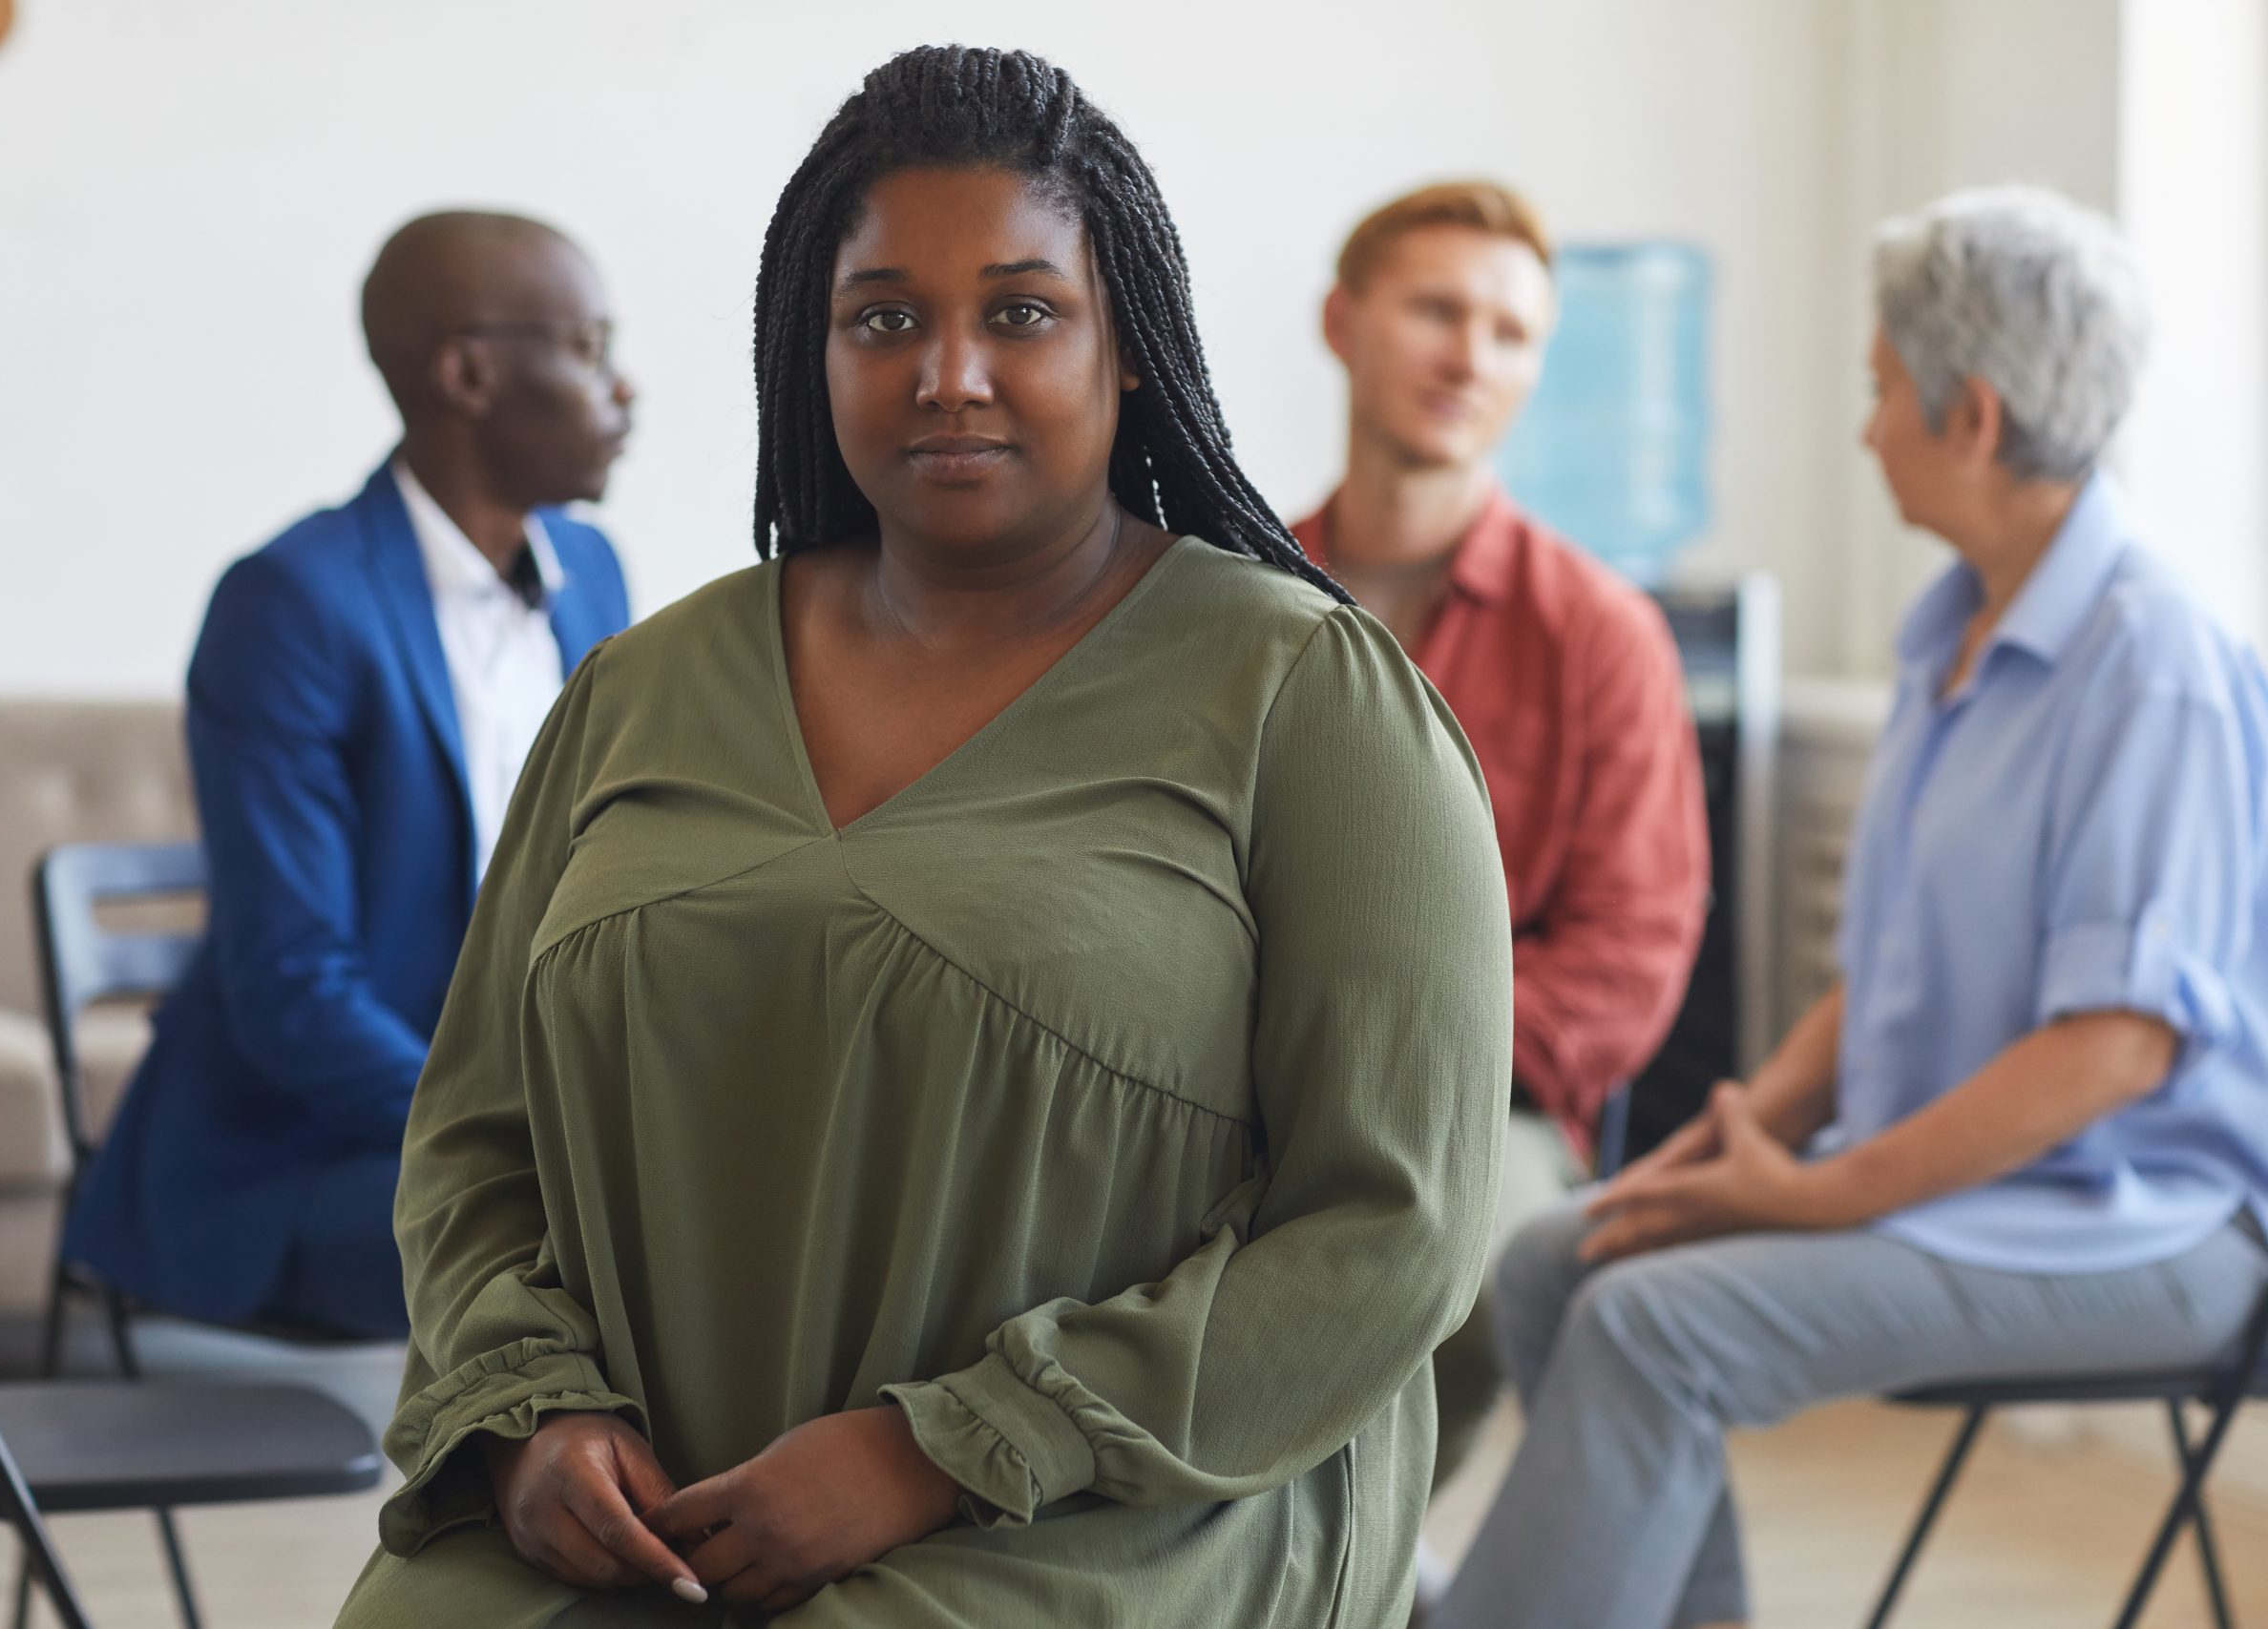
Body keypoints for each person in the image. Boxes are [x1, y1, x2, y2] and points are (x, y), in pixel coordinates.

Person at [334, 46, 1510, 1629]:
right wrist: (528, 1410)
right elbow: (474, 1139)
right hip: (651, 1506)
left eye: (1021, 311)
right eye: (884, 317)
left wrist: (948, 1444)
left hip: (1119, 1502)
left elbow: (1397, 1224)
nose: (948, 370)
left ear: (1131, 347)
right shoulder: (640, 687)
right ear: (810, 355)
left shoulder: (1311, 698)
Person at [1433, 186, 2268, 1629]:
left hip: (2138, 1226)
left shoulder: (2154, 661)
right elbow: (1883, 965)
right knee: (1565, 1259)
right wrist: (1745, 1125)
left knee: (1653, 1321)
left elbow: (2116, 1049)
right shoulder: (1953, 634)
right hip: (1968, 1196)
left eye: (1882, 388)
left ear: (1975, 416)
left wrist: (1815, 1190)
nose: (1867, 422)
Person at [62, 211, 636, 1340]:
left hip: (505, 1129)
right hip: (298, 1157)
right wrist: (523, 1136)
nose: (624, 390)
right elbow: (294, 987)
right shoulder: (294, 602)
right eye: (589, 347)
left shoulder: (591, 575)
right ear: (468, 371)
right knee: (605, 1238)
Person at [1292, 180, 1710, 1514]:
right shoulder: (1231, 596)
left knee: (1451, 1264)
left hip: (1490, 1108)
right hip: (1230, 1073)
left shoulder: (1600, 630)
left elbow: (1634, 955)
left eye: (1511, 332)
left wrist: (1390, 1042)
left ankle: (1353, 1560)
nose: (1472, 357)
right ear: (1342, 323)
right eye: (1435, 310)